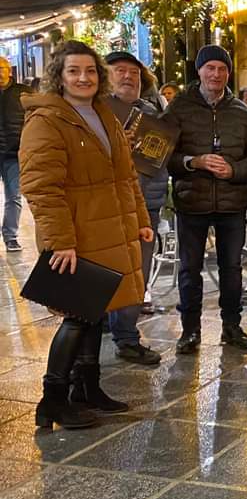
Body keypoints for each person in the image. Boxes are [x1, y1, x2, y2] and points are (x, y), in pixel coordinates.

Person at [19, 41, 151, 427]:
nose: (83, 78)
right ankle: (52, 400)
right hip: (75, 236)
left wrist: (140, 219)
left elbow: (126, 175)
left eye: (90, 70)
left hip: (106, 229)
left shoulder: (102, 114)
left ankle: (87, 388)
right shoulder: (46, 120)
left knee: (95, 312)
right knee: (76, 317)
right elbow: (42, 188)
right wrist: (61, 241)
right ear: (59, 76)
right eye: (74, 71)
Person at [166, 45, 247, 354]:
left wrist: (234, 170)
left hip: (231, 203)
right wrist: (192, 162)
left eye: (222, 69)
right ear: (199, 71)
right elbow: (163, 155)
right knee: (189, 270)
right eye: (209, 67)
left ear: (229, 73)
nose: (216, 74)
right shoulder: (178, 108)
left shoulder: (241, 112)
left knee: (232, 269)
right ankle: (190, 331)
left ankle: (231, 326)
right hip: (191, 201)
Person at [103, 51, 170, 365]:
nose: (129, 77)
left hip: (145, 207)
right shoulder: (95, 112)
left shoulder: (151, 112)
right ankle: (101, 325)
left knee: (137, 274)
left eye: (134, 72)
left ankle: (127, 337)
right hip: (105, 208)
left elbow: (159, 160)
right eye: (120, 70)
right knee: (105, 270)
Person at [0, 56, 29, 251]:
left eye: (1, 68)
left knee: (14, 197)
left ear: (9, 70)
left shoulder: (23, 93)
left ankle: (10, 236)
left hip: (14, 154)